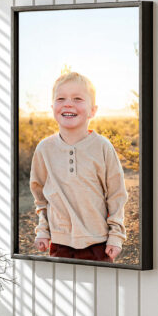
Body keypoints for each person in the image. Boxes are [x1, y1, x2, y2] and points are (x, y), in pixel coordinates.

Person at [30, 71, 127, 263]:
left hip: (98, 243)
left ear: (93, 110)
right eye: (61, 98)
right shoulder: (44, 149)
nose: (68, 104)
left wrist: (116, 236)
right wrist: (43, 230)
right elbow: (41, 197)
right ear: (53, 107)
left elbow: (116, 195)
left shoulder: (102, 147)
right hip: (60, 243)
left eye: (77, 99)